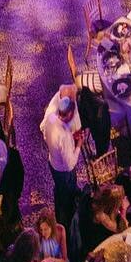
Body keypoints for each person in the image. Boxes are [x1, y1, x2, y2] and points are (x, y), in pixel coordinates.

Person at [40, 90, 84, 227]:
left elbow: (43, 130)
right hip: (64, 172)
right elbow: (70, 164)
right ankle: (66, 222)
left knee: (59, 190)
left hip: (52, 162)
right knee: (67, 197)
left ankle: (61, 214)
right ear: (69, 113)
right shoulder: (64, 135)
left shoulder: (51, 118)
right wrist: (78, 145)